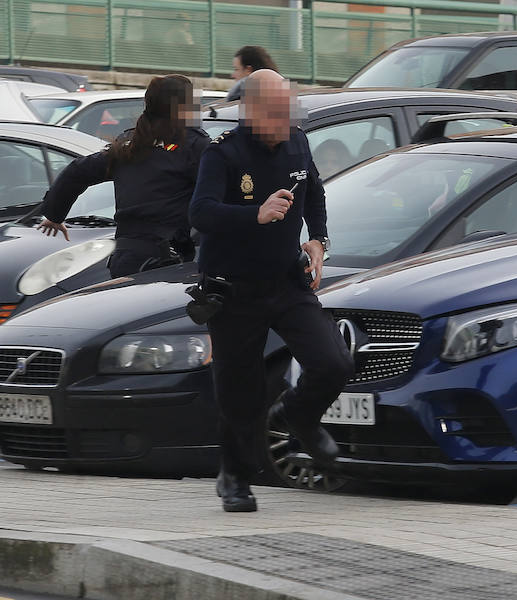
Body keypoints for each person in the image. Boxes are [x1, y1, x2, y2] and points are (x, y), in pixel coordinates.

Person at [189, 69, 355, 513]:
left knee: (333, 361)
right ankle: (236, 477)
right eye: (278, 113)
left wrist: (318, 239)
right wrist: (255, 215)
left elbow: (314, 193)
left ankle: (298, 414)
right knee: (240, 392)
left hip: (285, 280)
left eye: (289, 111)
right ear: (253, 112)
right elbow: (201, 212)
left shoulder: (297, 143)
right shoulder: (221, 153)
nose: (287, 120)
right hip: (233, 288)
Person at [38, 74, 209, 278]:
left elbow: (78, 170)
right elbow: (218, 195)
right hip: (166, 264)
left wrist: (55, 214)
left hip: (125, 259)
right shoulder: (194, 146)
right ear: (183, 107)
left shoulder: (131, 143)